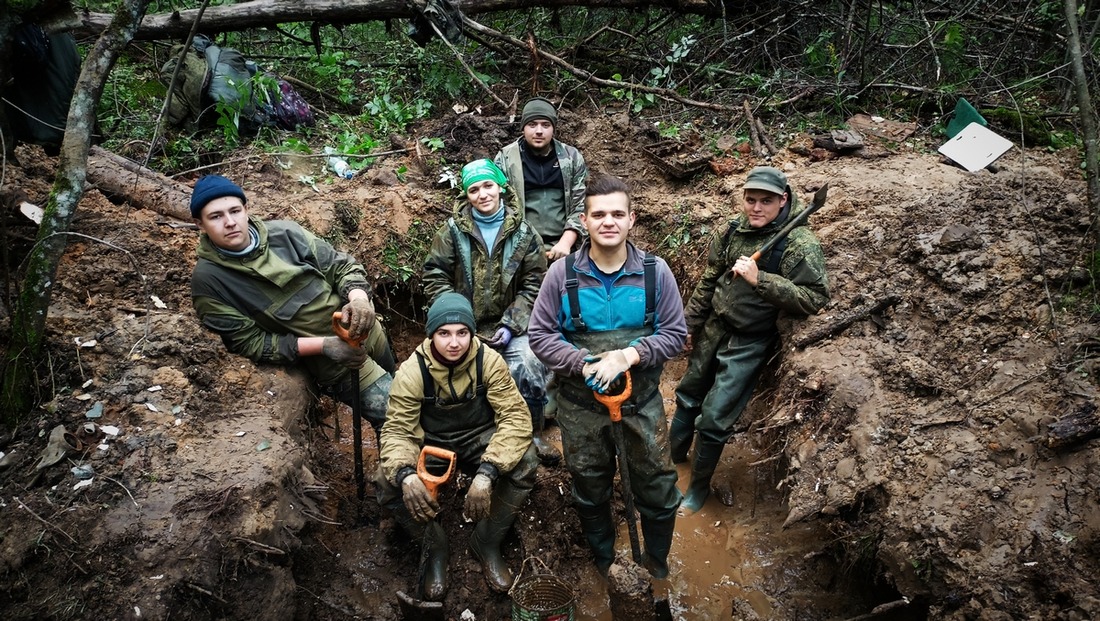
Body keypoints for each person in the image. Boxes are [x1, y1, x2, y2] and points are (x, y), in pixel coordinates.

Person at [528, 176, 687, 579]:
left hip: (642, 404)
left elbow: (675, 334)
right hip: (581, 408)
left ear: (631, 219)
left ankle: (657, 563)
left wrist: (628, 355)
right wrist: (583, 363)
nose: (608, 222)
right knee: (590, 486)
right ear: (584, 221)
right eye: (599, 214)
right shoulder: (561, 276)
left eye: (617, 213)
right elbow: (540, 336)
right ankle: (604, 562)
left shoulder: (656, 273)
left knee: (657, 487)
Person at [671, 166, 830, 515]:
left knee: (714, 419)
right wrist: (688, 325)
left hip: (750, 340)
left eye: (766, 201)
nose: (756, 208)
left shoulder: (799, 244)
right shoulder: (731, 230)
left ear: (783, 200)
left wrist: (763, 281)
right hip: (715, 326)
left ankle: (696, 489)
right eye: (751, 200)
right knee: (688, 394)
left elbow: (814, 298)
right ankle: (674, 460)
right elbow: (710, 278)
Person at [189, 174, 395, 435]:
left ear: (246, 210)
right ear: (200, 224)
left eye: (235, 211)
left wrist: (359, 299)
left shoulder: (285, 233)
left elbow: (341, 266)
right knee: (398, 420)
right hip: (337, 364)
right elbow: (250, 343)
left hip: (370, 332)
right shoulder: (209, 281)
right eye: (216, 216)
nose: (230, 222)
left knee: (402, 400)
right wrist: (324, 346)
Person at [376, 293, 538, 599]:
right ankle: (435, 546)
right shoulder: (412, 371)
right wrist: (407, 475)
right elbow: (397, 430)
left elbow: (516, 418)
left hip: (480, 437)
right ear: (431, 335)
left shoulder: (488, 360)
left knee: (527, 461)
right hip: (432, 444)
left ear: (472, 333)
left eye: (462, 333)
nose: (454, 343)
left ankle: (487, 541)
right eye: (444, 333)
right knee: (386, 481)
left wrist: (488, 472)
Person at [422, 159, 560, 464]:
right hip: (462, 326)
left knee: (526, 364)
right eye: (474, 189)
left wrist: (511, 324)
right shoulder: (451, 233)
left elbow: (535, 284)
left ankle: (532, 433)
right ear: (466, 196)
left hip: (513, 325)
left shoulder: (525, 234)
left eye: (488, 185)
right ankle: (474, 438)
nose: (483, 194)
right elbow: (434, 275)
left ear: (501, 187)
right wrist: (458, 322)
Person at [494, 97, 588, 261]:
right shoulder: (506, 158)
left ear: (553, 128)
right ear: (523, 127)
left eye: (546, 125)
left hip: (565, 247)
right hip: (519, 249)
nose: (539, 131)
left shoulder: (571, 157)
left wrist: (565, 243)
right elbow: (499, 207)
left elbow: (581, 205)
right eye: (532, 124)